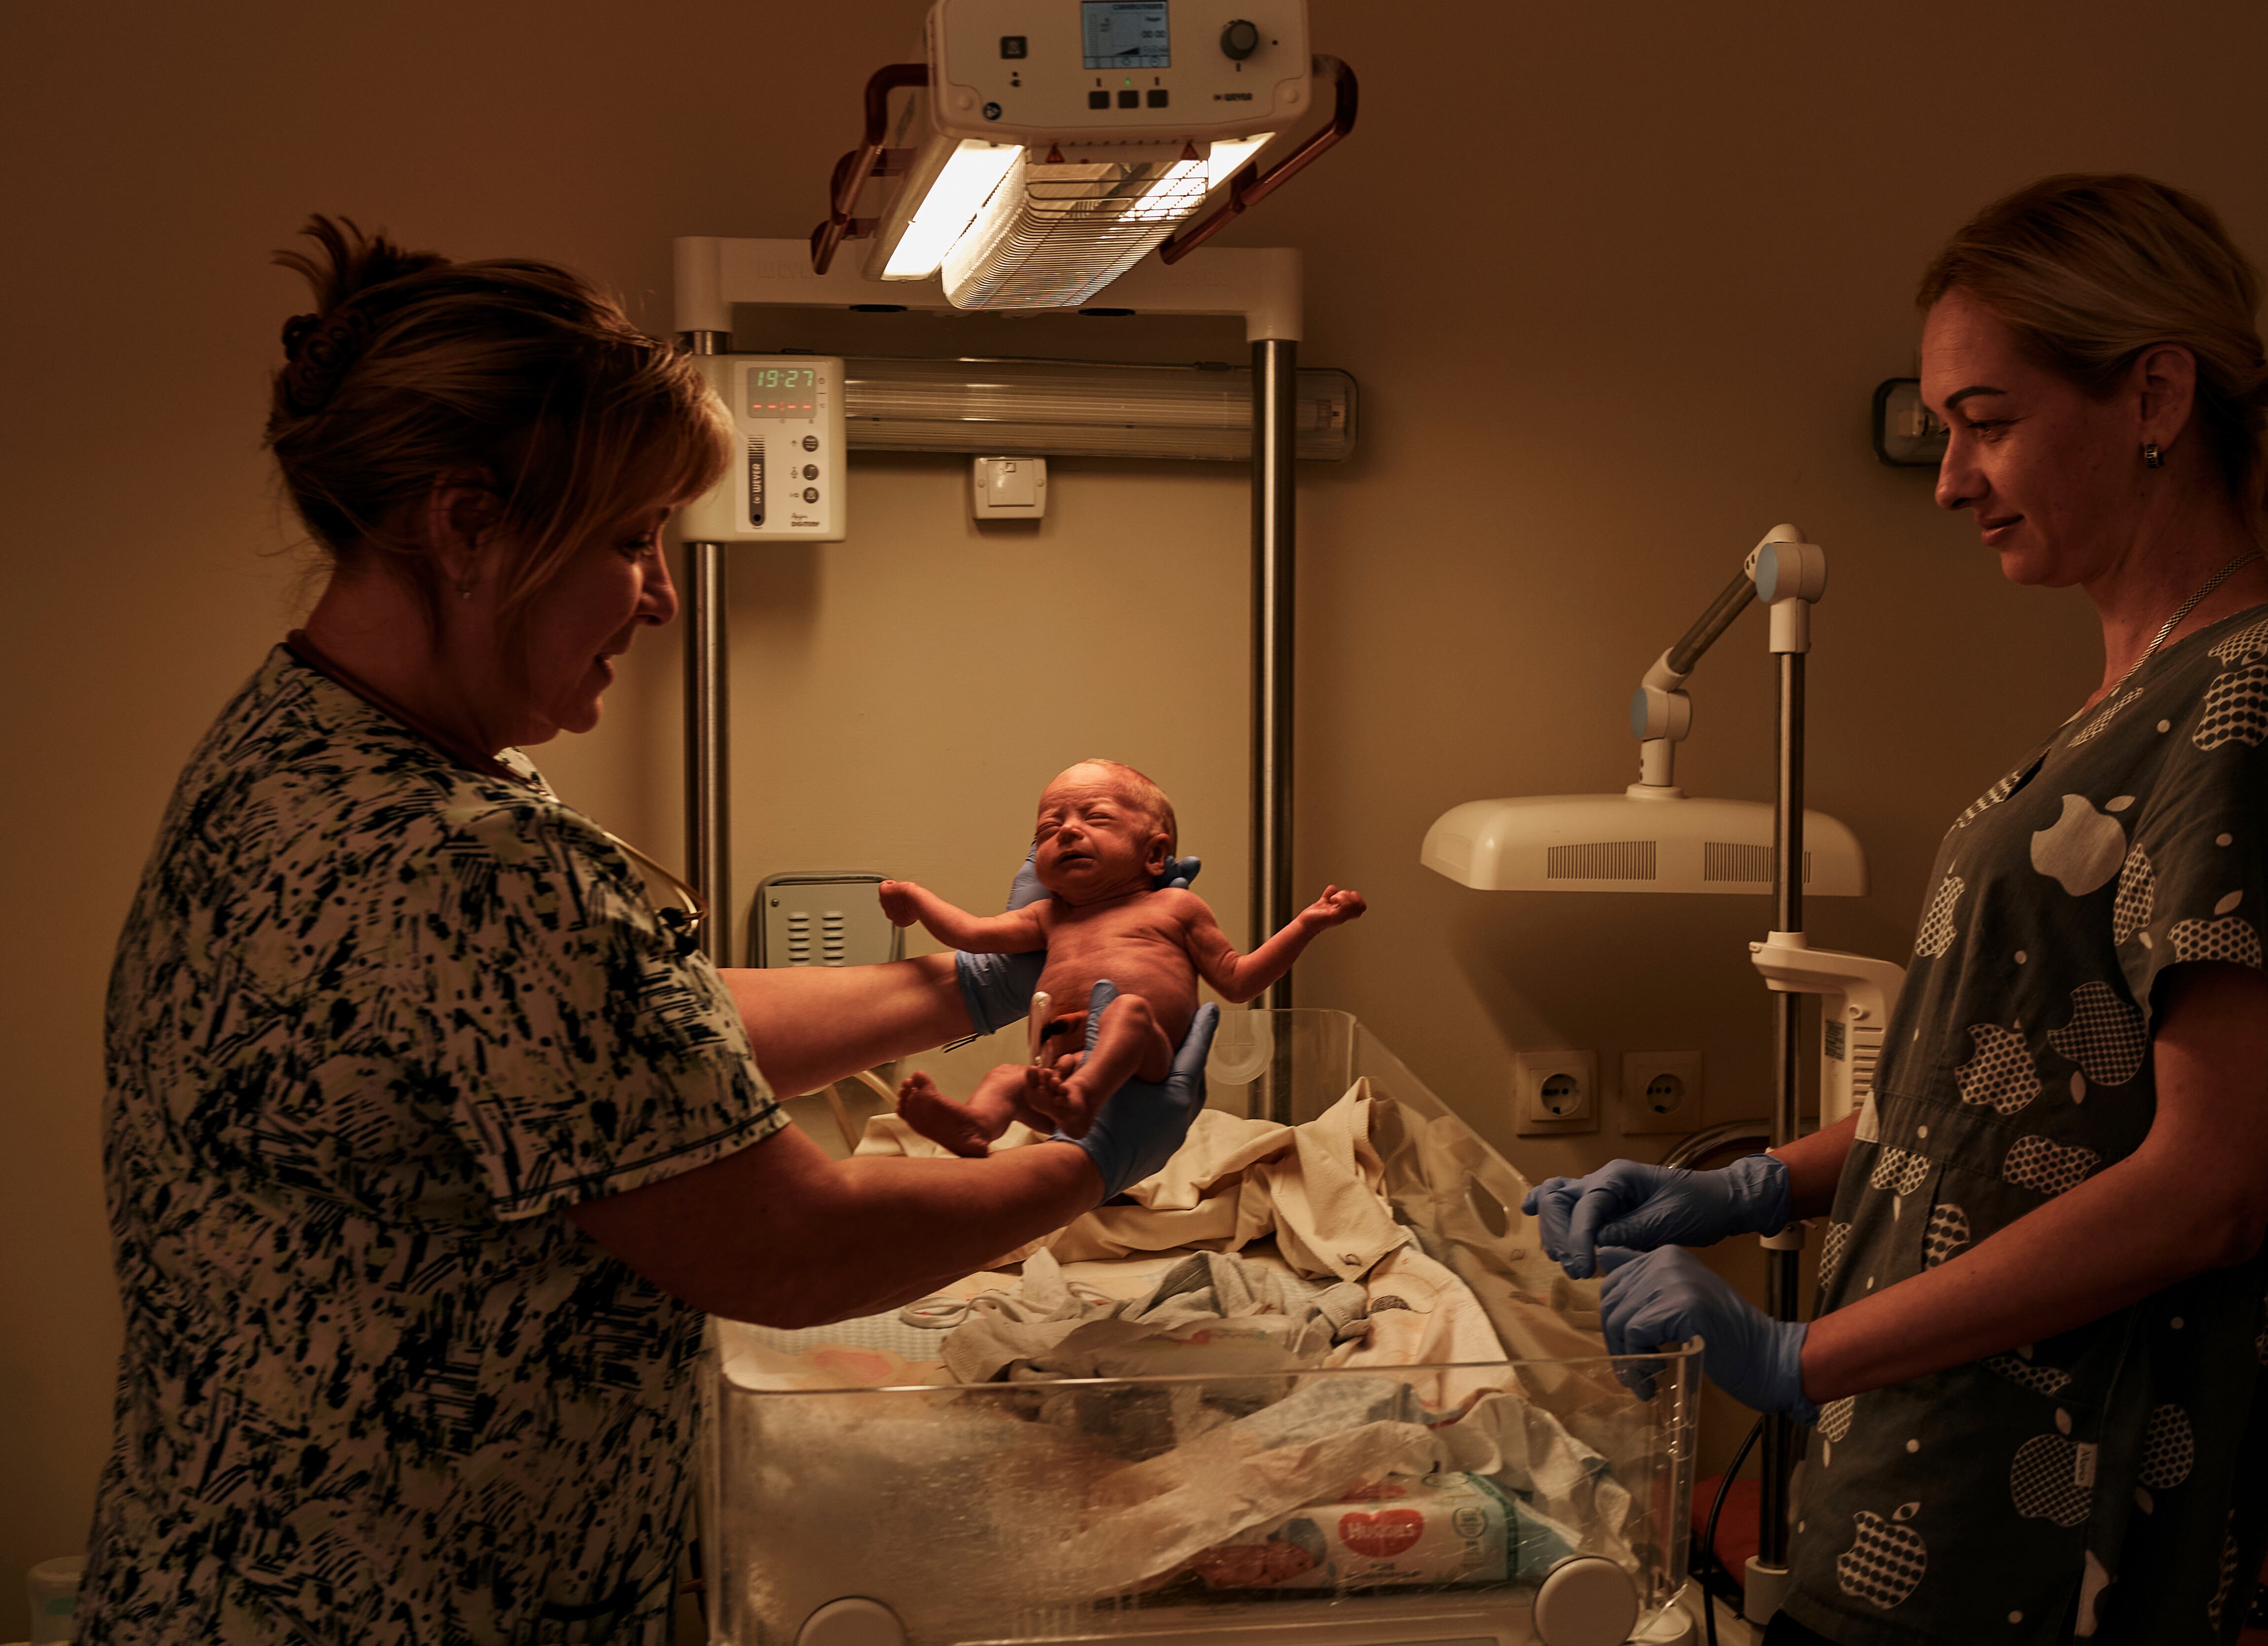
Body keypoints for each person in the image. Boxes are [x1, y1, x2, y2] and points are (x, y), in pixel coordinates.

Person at [78, 217, 1217, 1644]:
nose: (664, 596)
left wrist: (971, 985)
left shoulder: (310, 749)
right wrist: (1090, 1162)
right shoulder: (462, 854)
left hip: (222, 1563)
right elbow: (788, 1248)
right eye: (631, 540)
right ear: (467, 525)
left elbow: (617, 1034)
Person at [1526, 175, 2268, 1644]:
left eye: (1983, 422)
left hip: (2049, 1512)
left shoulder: (2262, 690)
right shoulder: (2131, 702)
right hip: (1925, 1467)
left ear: (2154, 396)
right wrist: (1752, 1187)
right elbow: (2002, 1100)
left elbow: (2203, 1186)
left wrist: (1794, 1353)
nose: (1947, 480)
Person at [882, 758, 1366, 1151]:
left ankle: (1086, 1094)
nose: (1066, 832)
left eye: (1095, 817)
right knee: (1006, 1078)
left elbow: (1239, 980)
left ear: (1154, 854)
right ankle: (978, 1126)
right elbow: (971, 934)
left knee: (1128, 1011)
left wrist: (1307, 924)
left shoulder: (1175, 907)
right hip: (1057, 1078)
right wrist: (915, 899)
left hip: (1143, 1062)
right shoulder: (1049, 915)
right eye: (1048, 829)